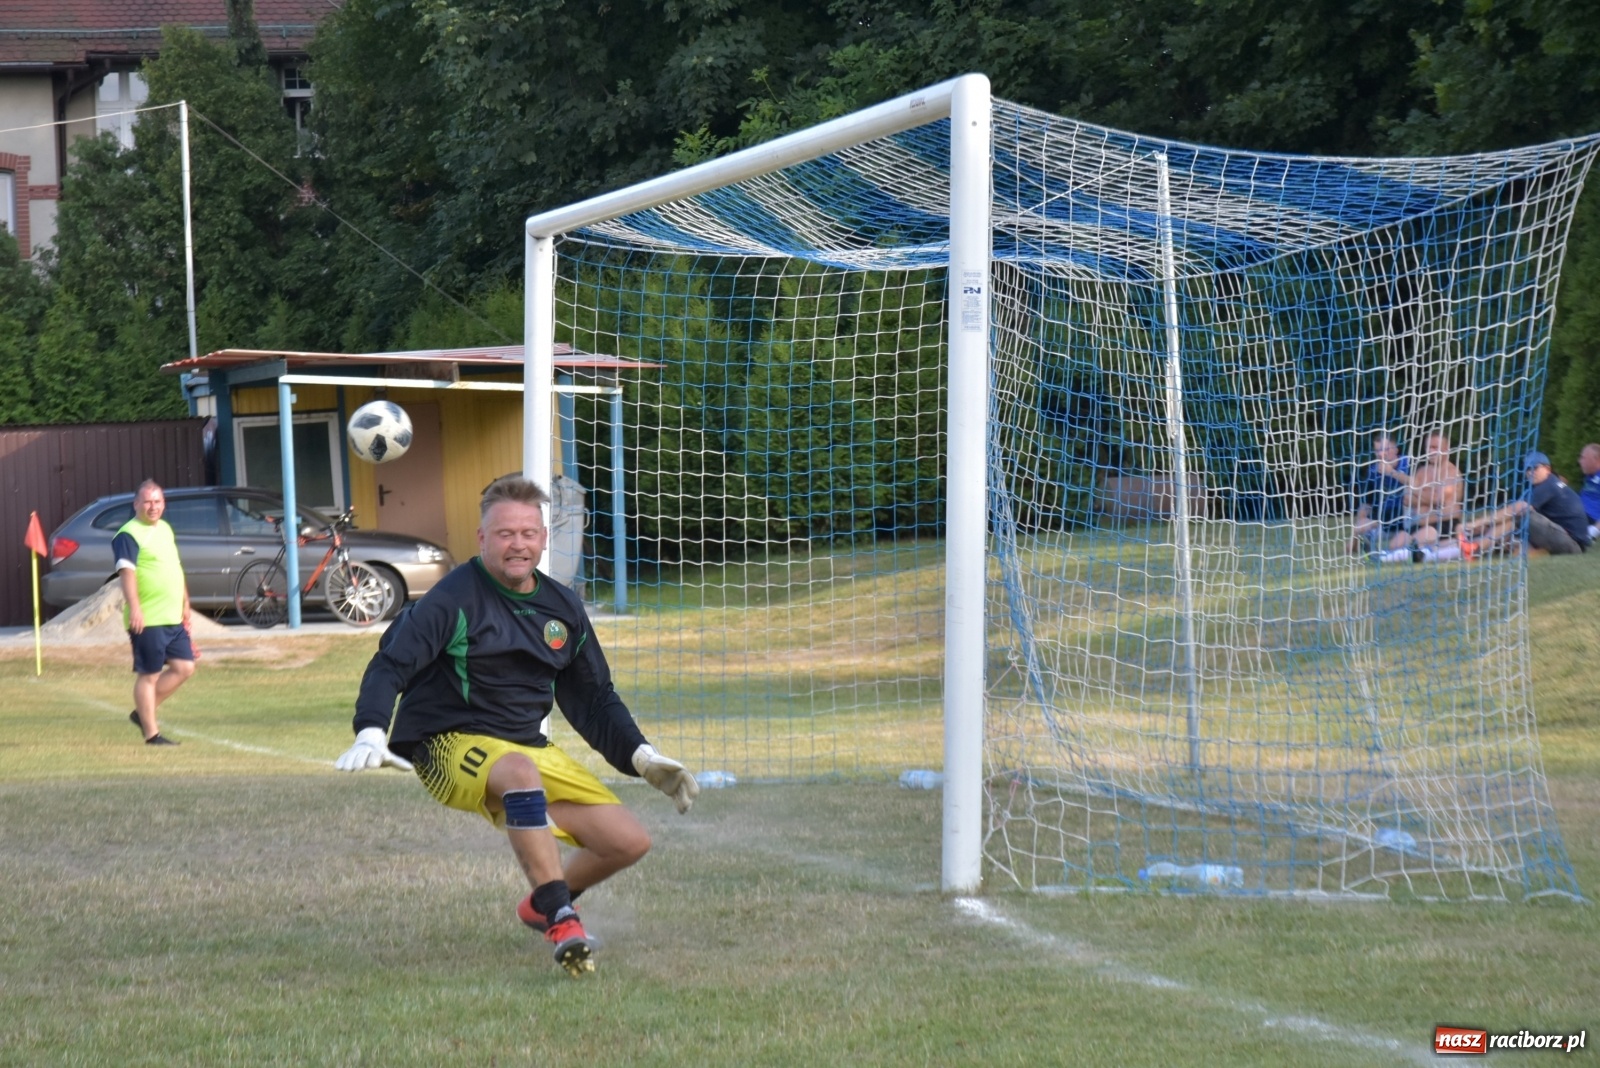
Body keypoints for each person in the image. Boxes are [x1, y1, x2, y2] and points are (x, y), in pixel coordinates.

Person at [336, 475, 699, 978]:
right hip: (446, 743)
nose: (518, 543)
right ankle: (562, 919)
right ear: (482, 538)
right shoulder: (453, 598)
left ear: (544, 539)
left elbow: (594, 698)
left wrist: (640, 754)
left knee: (627, 841)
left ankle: (540, 904)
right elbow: (391, 663)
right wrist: (371, 728)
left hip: (526, 748)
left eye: (529, 533)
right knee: (519, 773)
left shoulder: (562, 608)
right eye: (505, 533)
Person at [114, 480, 195, 746]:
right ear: (136, 504)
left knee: (185, 667)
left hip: (172, 616)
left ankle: (143, 713)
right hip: (148, 618)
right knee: (149, 675)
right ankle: (152, 734)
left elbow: (175, 566)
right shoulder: (128, 534)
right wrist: (135, 607)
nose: (153, 506)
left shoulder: (166, 529)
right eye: (147, 501)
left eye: (157, 501)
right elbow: (127, 573)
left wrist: (185, 601)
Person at [1460, 451, 1592, 557]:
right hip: (1563, 539)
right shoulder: (1547, 485)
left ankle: (1476, 548)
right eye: (1527, 469)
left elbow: (1518, 509)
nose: (1530, 472)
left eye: (1535, 467)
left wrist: (1478, 522)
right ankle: (1474, 547)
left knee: (1520, 514)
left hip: (1572, 545)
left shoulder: (1549, 485)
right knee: (1513, 525)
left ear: (1548, 469)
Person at [1397, 430, 1464, 549]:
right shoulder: (1422, 471)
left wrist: (1417, 490)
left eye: (1435, 447)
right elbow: (1407, 499)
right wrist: (1429, 495)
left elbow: (1439, 499)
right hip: (1419, 524)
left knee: (1415, 542)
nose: (1431, 451)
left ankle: (1436, 548)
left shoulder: (1452, 472)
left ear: (1446, 448)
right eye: (1428, 447)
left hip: (1444, 523)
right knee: (1396, 543)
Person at [1350, 433, 1412, 553]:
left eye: (1385, 450)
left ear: (1396, 450)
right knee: (1354, 541)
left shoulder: (1408, 463)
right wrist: (1359, 523)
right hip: (1384, 523)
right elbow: (1367, 503)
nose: (1380, 454)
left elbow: (1417, 484)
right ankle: (1364, 545)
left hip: (1407, 521)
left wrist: (1391, 472)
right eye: (1377, 450)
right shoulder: (1373, 471)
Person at [1578, 443, 1600, 540]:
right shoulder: (1589, 476)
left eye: (1584, 458)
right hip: (1578, 514)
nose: (1580, 461)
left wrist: (1594, 530)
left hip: (1589, 519)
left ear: (1596, 459)